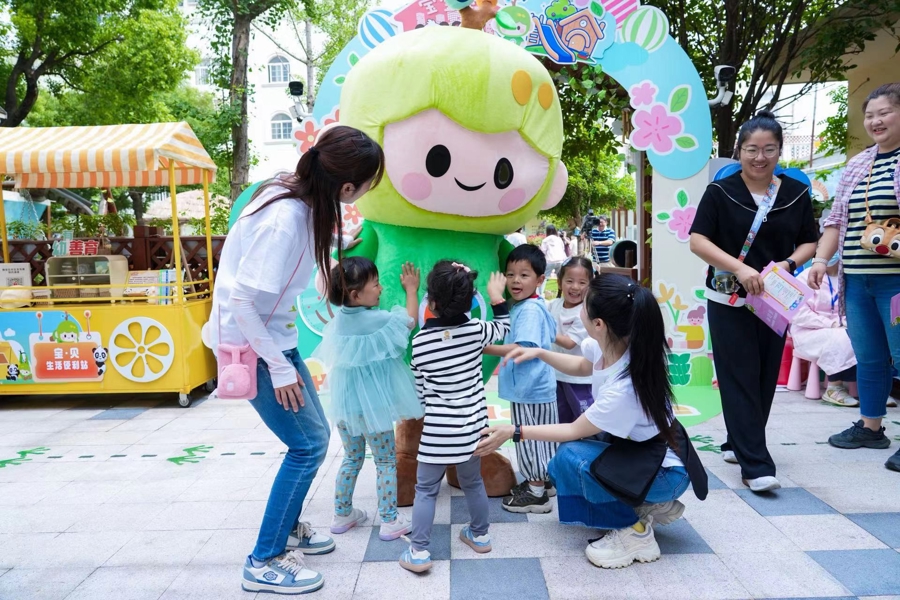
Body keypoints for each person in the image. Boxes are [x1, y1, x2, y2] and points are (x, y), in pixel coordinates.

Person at [208, 125, 385, 595]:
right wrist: (280, 366)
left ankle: (287, 528)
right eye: (368, 184)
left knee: (315, 438)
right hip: (254, 346)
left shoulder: (299, 195)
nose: (368, 191)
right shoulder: (284, 218)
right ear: (347, 186)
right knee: (307, 445)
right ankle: (264, 560)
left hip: (274, 339)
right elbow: (242, 302)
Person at [476, 274, 708, 569]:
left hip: (664, 471)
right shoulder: (615, 344)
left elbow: (573, 430)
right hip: (646, 454)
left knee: (570, 459)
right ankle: (645, 502)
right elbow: (582, 365)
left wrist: (514, 431)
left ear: (599, 323)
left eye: (584, 306)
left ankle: (632, 531)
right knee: (566, 459)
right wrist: (541, 353)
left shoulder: (624, 388)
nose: (579, 311)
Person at [689, 110, 818, 493]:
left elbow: (809, 241)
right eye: (751, 149)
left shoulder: (794, 194)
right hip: (728, 295)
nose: (759, 157)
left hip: (774, 299)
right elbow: (698, 240)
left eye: (769, 149)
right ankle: (756, 464)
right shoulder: (721, 191)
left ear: (779, 151)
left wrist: (788, 264)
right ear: (739, 151)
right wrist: (739, 268)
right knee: (738, 374)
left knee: (764, 375)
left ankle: (738, 442)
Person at [806, 83, 900, 473]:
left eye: (885, 113)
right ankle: (871, 428)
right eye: (870, 115)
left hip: (896, 284)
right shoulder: (859, 164)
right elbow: (836, 221)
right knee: (869, 356)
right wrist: (820, 260)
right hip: (858, 280)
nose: (875, 121)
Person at [400, 261, 509, 573]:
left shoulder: (420, 343)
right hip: (473, 430)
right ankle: (480, 535)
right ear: (471, 300)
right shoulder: (477, 331)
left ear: (431, 302)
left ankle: (419, 552)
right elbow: (503, 326)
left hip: (436, 434)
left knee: (426, 491)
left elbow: (420, 394)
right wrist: (497, 297)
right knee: (473, 482)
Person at [313, 257, 425, 542]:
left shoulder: (337, 322)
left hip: (344, 406)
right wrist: (412, 290)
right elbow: (410, 322)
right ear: (355, 294)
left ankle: (342, 514)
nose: (381, 288)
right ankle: (389, 520)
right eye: (375, 285)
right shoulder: (378, 319)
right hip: (374, 408)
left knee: (352, 458)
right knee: (385, 460)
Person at [486, 244, 559, 513]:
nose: (515, 280)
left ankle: (535, 493)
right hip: (536, 387)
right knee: (541, 438)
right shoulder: (531, 305)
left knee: (528, 438)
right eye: (510, 274)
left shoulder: (528, 310)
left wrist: (482, 346)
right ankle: (545, 483)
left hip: (529, 389)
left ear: (540, 280)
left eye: (524, 275)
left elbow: (521, 348)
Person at [792, 253, 858, 407]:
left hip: (843, 326)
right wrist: (831, 324)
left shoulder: (847, 277)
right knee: (840, 336)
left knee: (864, 336)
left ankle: (872, 389)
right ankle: (834, 388)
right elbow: (798, 314)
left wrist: (844, 323)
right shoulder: (805, 277)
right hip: (808, 330)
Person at [547, 257, 595, 422]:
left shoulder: (585, 312)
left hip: (580, 379)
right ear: (559, 283)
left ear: (590, 285)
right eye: (569, 281)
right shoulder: (554, 305)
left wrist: (544, 332)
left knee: (585, 420)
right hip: (557, 375)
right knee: (561, 420)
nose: (575, 287)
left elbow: (569, 343)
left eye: (582, 282)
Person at [540, 225, 568, 296]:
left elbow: (543, 252)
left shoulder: (545, 240)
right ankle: (560, 292)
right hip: (560, 260)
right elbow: (562, 249)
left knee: (544, 278)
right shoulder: (559, 239)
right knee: (560, 277)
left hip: (549, 261)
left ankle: (541, 294)